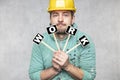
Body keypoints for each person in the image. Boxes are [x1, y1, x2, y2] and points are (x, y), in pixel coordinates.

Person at [29, 0, 96, 80]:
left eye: (65, 15)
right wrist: (54, 70)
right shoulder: (41, 42)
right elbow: (33, 76)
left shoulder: (84, 40)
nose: (60, 19)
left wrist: (68, 66)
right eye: (55, 15)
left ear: (72, 19)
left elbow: (90, 77)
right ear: (50, 19)